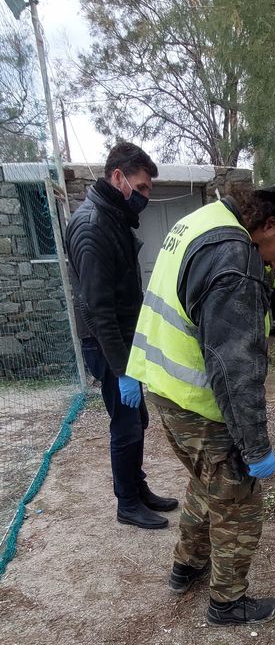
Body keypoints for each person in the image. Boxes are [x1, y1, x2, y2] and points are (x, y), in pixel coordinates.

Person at [126, 181, 275, 626]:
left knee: (205, 482)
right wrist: (255, 447)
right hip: (200, 401)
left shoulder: (203, 219)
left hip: (165, 388)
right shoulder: (236, 258)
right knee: (238, 500)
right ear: (268, 224)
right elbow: (235, 369)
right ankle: (227, 603)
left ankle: (186, 566)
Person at [66, 142, 178, 530]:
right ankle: (126, 503)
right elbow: (97, 309)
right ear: (118, 178)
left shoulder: (112, 217)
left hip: (123, 342)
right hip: (107, 343)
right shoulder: (92, 226)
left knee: (137, 420)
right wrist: (122, 369)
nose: (146, 196)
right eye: (143, 187)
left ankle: (137, 487)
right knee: (126, 425)